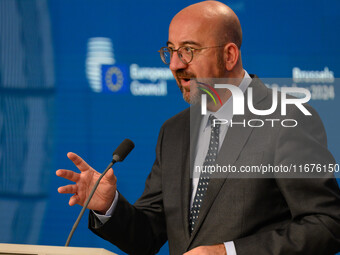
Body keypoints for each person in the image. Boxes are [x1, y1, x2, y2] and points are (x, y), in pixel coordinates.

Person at [57, 1, 340, 254]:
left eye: (188, 51)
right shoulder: (174, 131)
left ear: (229, 56)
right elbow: (146, 237)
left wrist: (227, 253)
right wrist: (109, 205)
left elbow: (326, 224)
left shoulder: (286, 118)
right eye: (171, 51)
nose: (176, 65)